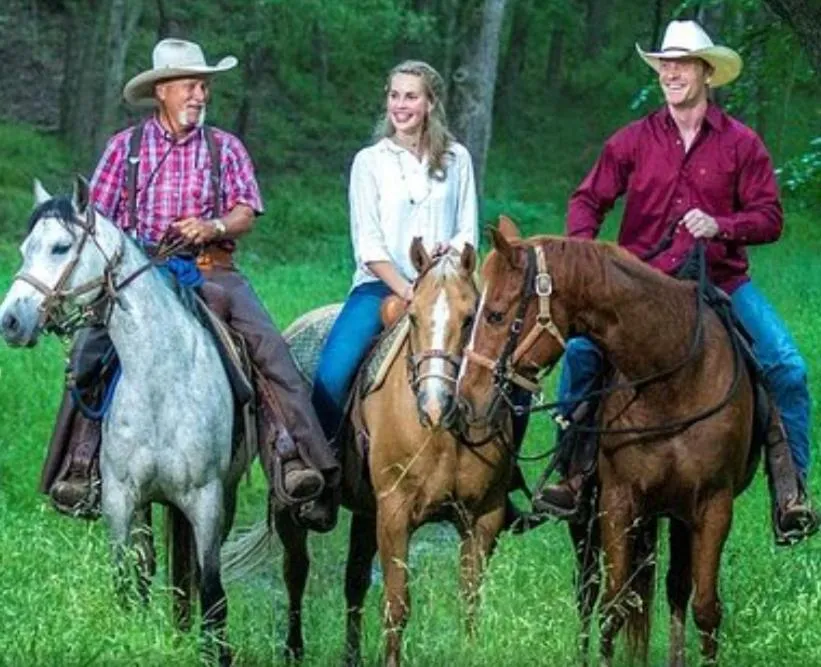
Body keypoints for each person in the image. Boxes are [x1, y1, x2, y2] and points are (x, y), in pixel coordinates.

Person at [534, 20, 817, 542]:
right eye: (665, 64)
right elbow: (588, 199)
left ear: (706, 72)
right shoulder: (633, 140)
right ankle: (573, 474)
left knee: (786, 366)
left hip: (720, 282)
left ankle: (790, 488)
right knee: (580, 355)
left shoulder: (742, 144)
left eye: (682, 64)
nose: (671, 73)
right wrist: (589, 260)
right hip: (640, 288)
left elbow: (770, 218)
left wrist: (721, 225)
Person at [41, 38, 340, 531]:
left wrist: (213, 226)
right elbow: (97, 221)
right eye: (190, 86)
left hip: (210, 270)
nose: (200, 96)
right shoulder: (125, 149)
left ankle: (295, 459)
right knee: (87, 355)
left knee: (270, 351)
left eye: (204, 87)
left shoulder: (225, 148)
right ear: (162, 91)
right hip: (137, 277)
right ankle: (80, 465)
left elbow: (245, 211)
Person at [311, 60, 478, 443]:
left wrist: (451, 252)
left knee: (506, 372)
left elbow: (468, 231)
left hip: (447, 289)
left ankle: (504, 469)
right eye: (394, 96)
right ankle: (321, 461)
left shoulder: (457, 159)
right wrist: (407, 290)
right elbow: (368, 246)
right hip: (382, 287)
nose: (400, 106)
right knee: (332, 375)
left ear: (430, 103)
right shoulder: (369, 162)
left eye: (411, 97)